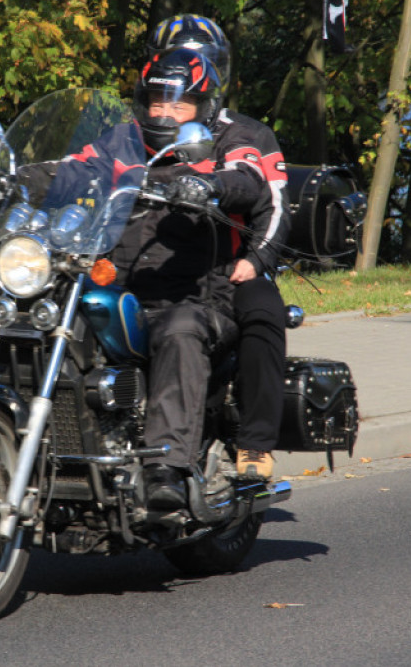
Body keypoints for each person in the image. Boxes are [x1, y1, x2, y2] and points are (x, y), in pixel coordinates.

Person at [111, 42, 291, 511]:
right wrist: (17, 180)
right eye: (158, 100)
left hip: (208, 282)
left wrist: (213, 190)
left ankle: (184, 461)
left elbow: (253, 185)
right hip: (123, 282)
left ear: (203, 102)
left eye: (180, 102)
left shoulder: (233, 139)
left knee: (246, 315)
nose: (166, 111)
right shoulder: (121, 140)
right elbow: (74, 167)